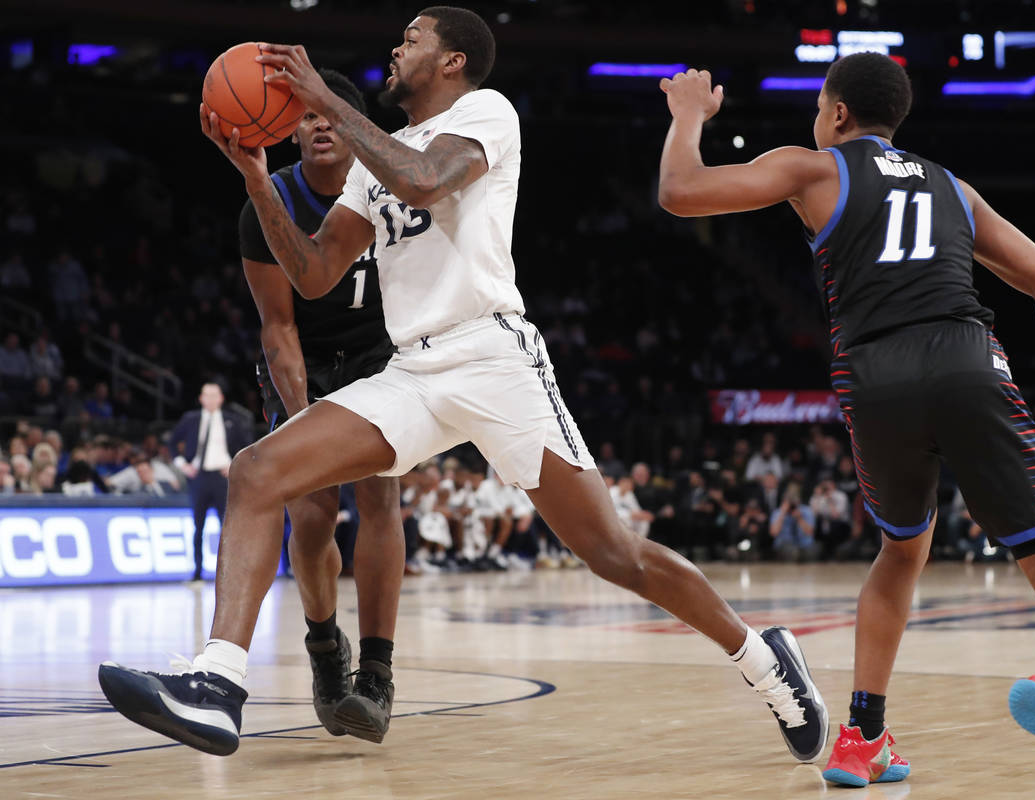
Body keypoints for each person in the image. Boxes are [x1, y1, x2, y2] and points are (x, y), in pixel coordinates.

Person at [98, 6, 828, 764]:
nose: (396, 46)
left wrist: (323, 100)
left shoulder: (486, 111)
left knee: (612, 553)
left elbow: (423, 182)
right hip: (411, 369)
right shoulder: (369, 158)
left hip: (491, 357)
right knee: (257, 472)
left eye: (412, 38)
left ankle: (765, 660)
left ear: (451, 61)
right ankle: (218, 684)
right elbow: (314, 277)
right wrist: (257, 182)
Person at [658, 54, 1035, 799]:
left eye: (818, 106)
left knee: (900, 552)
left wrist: (688, 117)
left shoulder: (814, 170)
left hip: (872, 377)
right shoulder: (953, 188)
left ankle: (861, 737)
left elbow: (681, 192)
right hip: (966, 359)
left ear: (838, 114)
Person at [239, 69, 406, 743]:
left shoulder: (395, 188)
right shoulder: (268, 202)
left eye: (329, 115)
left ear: (354, 125)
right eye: (305, 117)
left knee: (380, 499)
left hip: (381, 357)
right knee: (311, 515)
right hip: (304, 360)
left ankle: (377, 676)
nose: (316, 125)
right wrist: (307, 419)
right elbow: (278, 329)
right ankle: (321, 645)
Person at [168, 382, 252, 581]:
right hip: (199, 477)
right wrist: (182, 464)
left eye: (215, 395)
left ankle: (230, 573)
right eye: (207, 395)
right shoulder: (191, 419)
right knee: (198, 526)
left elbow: (247, 446)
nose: (211, 399)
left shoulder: (232, 420)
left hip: (222, 479)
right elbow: (172, 442)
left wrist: (232, 464)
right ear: (201, 398)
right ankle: (197, 573)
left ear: (221, 398)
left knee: (228, 527)